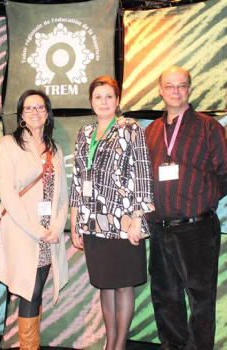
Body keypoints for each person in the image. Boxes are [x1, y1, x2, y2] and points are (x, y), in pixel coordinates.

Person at [144, 66, 227, 349]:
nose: (175, 91)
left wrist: (201, 202)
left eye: (181, 85)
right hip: (159, 228)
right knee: (165, 295)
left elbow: (226, 171)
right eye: (169, 86)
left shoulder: (209, 127)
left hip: (197, 228)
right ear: (160, 90)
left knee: (200, 298)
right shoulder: (152, 130)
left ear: (189, 89)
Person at [70, 76, 154, 350]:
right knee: (105, 285)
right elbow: (77, 180)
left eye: (109, 96)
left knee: (123, 285)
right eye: (98, 97)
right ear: (91, 102)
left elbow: (143, 174)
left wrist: (138, 220)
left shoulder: (130, 128)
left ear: (117, 101)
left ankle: (118, 346)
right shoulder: (84, 133)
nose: (103, 102)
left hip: (124, 221)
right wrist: (75, 223)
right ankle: (110, 342)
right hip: (92, 222)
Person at [0, 89, 69, 349]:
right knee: (29, 291)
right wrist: (37, 230)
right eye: (29, 108)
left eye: (40, 108)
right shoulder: (9, 144)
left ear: (47, 113)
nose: (35, 112)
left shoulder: (55, 149)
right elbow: (9, 196)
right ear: (21, 116)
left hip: (49, 234)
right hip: (23, 233)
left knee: (35, 291)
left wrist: (57, 228)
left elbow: (63, 196)